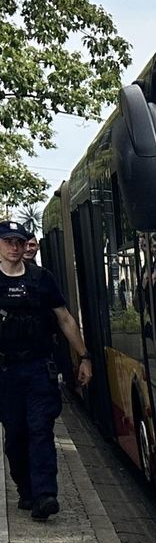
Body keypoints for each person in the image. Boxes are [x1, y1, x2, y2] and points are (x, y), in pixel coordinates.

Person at [0, 220, 92, 520]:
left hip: (39, 366)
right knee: (15, 436)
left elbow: (64, 318)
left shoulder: (42, 279)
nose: (14, 247)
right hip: (5, 372)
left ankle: (45, 494)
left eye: (19, 241)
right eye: (8, 241)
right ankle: (26, 489)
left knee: (40, 429)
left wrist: (84, 356)